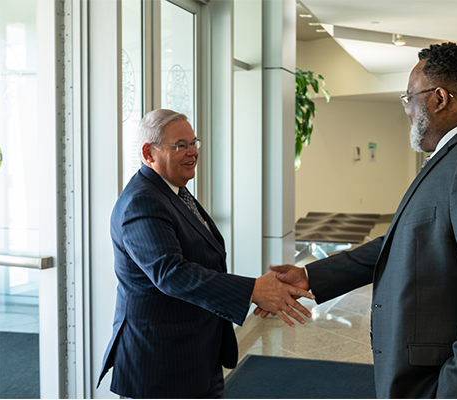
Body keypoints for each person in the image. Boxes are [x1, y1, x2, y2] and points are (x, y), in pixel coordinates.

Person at [260, 42, 457, 398]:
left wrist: (455, 390)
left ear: (439, 98)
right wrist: (313, 275)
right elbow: (407, 239)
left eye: (408, 98)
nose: (407, 109)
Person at [97, 109, 314, 399]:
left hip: (197, 352)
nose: (193, 152)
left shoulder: (173, 191)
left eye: (194, 142)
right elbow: (170, 273)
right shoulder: (143, 202)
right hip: (161, 363)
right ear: (149, 153)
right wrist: (252, 290)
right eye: (181, 145)